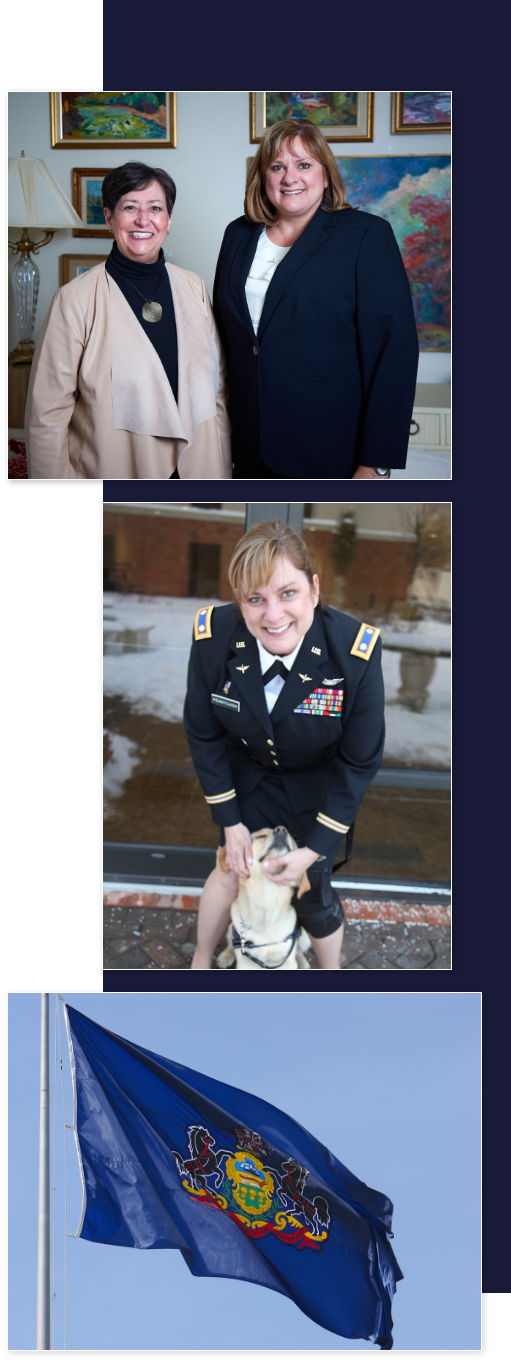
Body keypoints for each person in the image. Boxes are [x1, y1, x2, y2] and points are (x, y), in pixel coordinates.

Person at [183, 520, 385, 970]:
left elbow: (359, 761)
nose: (273, 615)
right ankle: (201, 959)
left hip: (317, 787)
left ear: (314, 589)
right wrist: (230, 821)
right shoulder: (214, 640)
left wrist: (314, 850)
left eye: (288, 593)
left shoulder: (354, 654)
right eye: (255, 599)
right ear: (241, 601)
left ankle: (330, 974)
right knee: (231, 871)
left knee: (313, 889)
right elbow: (204, 732)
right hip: (248, 776)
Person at [213, 120, 419, 479]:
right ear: (263, 177)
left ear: (326, 176)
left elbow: (393, 352)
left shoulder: (365, 235)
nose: (289, 177)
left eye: (304, 165)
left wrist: (376, 462)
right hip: (245, 444)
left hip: (327, 447)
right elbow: (224, 338)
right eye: (277, 167)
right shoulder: (237, 234)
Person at [25, 161, 231, 479]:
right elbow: (47, 415)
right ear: (109, 217)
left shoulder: (195, 287)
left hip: (198, 472)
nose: (143, 220)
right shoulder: (74, 300)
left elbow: (218, 391)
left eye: (155, 208)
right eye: (130, 207)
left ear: (169, 219)